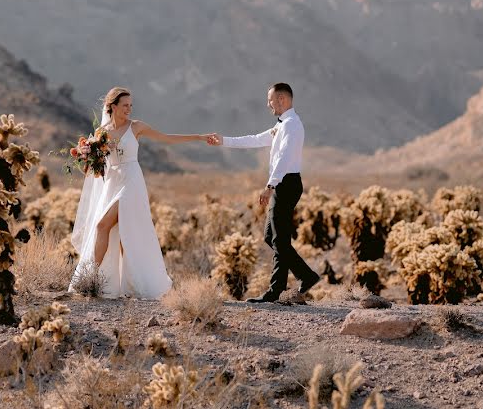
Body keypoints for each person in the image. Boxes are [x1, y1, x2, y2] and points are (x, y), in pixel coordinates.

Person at [69, 86, 213, 299]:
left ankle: (97, 279)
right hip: (112, 183)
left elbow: (167, 138)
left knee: (104, 225)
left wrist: (199, 137)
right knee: (116, 231)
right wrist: (86, 157)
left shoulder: (136, 127)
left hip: (131, 182)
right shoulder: (102, 133)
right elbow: (96, 171)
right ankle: (110, 282)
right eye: (125, 105)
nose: (129, 109)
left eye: (131, 105)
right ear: (113, 106)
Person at [207, 83, 319, 303]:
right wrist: (224, 141)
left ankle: (291, 283)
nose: (268, 104)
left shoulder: (292, 125)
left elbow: (284, 158)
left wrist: (270, 186)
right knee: (273, 237)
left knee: (278, 239)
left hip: (286, 183)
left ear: (282, 100)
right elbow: (255, 139)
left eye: (271, 100)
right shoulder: (282, 125)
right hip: (283, 183)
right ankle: (293, 282)